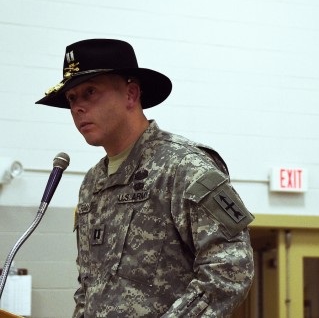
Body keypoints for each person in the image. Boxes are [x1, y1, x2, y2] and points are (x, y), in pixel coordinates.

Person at [36, 38, 254, 317]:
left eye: (89, 92)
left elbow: (229, 271)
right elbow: (89, 286)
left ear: (131, 94)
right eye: (71, 98)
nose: (77, 108)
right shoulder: (92, 183)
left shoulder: (183, 165)